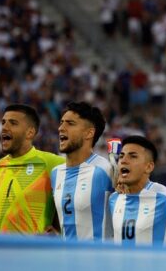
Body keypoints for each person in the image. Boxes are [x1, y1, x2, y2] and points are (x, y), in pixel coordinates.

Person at [0, 104, 65, 234]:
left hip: (34, 252)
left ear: (30, 132)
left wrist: (58, 230)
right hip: (0, 251)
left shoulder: (51, 163)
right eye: (3, 122)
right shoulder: (0, 165)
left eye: (13, 123)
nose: (4, 127)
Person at [50, 102, 114, 241]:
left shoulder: (106, 171)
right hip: (67, 260)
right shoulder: (55, 173)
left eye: (70, 123)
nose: (61, 128)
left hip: (99, 260)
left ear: (89, 133)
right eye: (61, 123)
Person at [109, 136, 166, 245]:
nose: (123, 160)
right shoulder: (114, 199)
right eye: (121, 156)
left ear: (149, 167)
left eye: (132, 156)